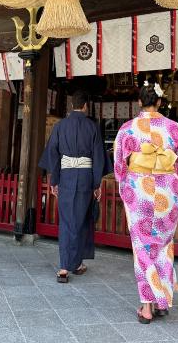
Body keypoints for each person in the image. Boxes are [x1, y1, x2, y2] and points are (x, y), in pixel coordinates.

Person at [113, 81, 178, 324]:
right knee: (163, 244)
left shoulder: (127, 129)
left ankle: (147, 306)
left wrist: (125, 188)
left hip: (139, 192)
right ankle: (162, 299)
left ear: (139, 102)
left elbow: (119, 166)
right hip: (168, 191)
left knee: (142, 246)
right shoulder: (174, 128)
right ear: (159, 102)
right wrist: (176, 185)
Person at [38, 90, 111, 283]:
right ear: (85, 106)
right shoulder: (92, 127)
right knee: (82, 220)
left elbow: (53, 154)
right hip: (86, 178)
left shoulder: (60, 126)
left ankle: (65, 267)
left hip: (66, 177)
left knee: (67, 221)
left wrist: (54, 181)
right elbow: (98, 157)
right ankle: (76, 264)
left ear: (72, 106)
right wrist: (97, 183)